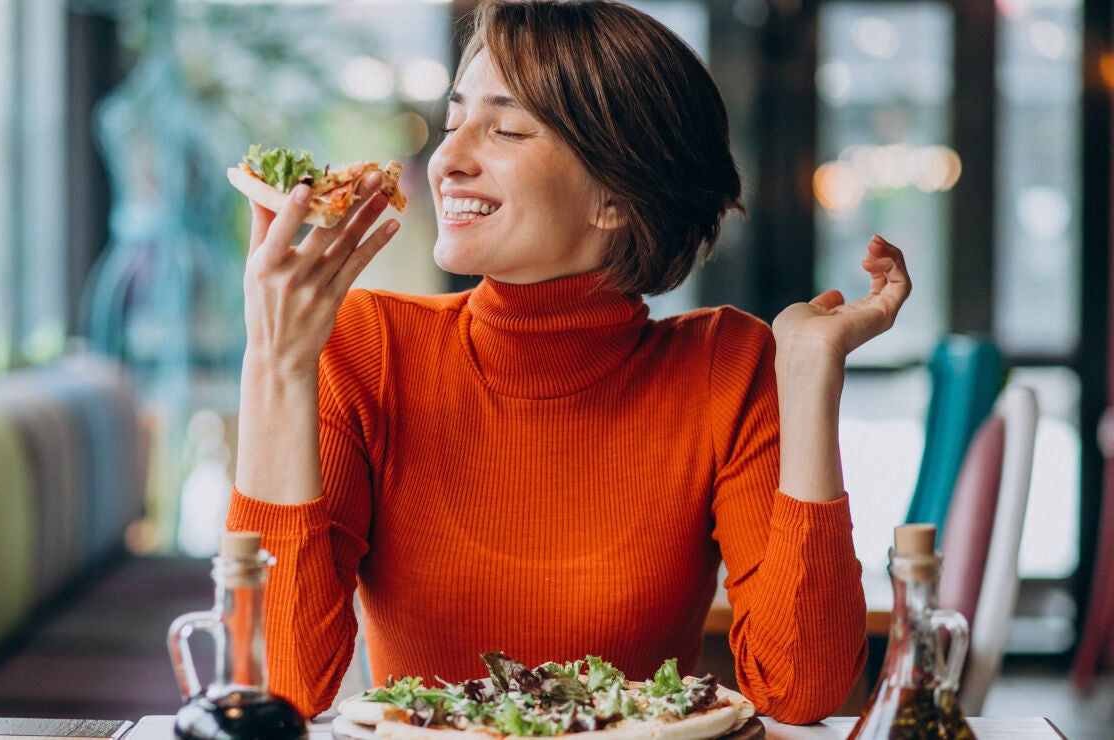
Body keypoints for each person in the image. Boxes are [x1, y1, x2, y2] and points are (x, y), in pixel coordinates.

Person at [227, 0, 911, 726]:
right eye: (455, 120)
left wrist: (806, 380)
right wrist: (276, 363)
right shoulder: (366, 347)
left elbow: (805, 688)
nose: (447, 161)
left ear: (616, 195)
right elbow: (277, 692)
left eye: (508, 129)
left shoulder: (728, 366)